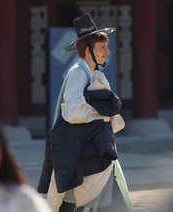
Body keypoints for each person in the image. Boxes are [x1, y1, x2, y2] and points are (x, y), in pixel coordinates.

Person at [38, 14, 134, 212]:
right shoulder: (77, 73)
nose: (107, 51)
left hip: (93, 149)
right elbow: (72, 112)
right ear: (88, 50)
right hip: (82, 151)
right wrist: (105, 117)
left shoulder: (90, 73)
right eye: (102, 47)